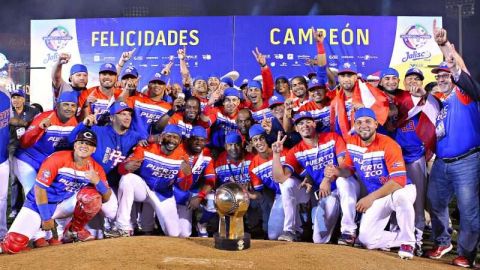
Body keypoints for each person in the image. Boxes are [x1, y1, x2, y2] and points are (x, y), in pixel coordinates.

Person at [0, 130, 113, 254]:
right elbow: (39, 189)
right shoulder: (57, 159)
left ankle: (73, 231)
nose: (84, 146)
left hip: (63, 204)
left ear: (94, 149)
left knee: (93, 197)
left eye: (89, 144)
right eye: (81, 142)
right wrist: (46, 217)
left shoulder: (96, 168)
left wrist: (98, 182)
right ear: (75, 145)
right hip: (39, 205)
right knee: (12, 245)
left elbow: (106, 198)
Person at [425, 21, 480, 268]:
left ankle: (466, 254)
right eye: (438, 76)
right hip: (441, 164)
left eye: (446, 74)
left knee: (468, 211)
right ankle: (442, 241)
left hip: (467, 161)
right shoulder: (439, 102)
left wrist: (444, 46)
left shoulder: (464, 94)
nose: (442, 78)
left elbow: (461, 71)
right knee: (435, 202)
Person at [272, 111, 360, 245]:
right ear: (296, 128)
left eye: (308, 122)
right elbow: (280, 178)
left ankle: (349, 232)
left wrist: (327, 178)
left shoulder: (332, 137)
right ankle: (290, 231)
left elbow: (345, 166)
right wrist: (276, 155)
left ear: (314, 123)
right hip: (327, 193)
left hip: (345, 185)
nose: (305, 125)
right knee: (318, 238)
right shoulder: (296, 150)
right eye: (300, 123)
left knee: (343, 182)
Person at [342, 108, 416, 259]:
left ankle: (409, 242)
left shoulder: (389, 144)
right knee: (367, 240)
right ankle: (402, 238)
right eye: (359, 122)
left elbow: (398, 181)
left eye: (368, 121)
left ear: (376, 124)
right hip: (379, 196)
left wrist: (370, 198)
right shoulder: (351, 143)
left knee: (401, 197)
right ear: (354, 126)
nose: (364, 125)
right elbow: (348, 170)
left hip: (400, 189)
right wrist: (335, 172)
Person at [12, 91, 78, 246]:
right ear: (58, 105)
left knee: (48, 194)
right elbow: (25, 142)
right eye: (66, 104)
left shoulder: (74, 123)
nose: (69, 108)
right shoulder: (45, 117)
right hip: (26, 159)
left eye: (73, 105)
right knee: (33, 191)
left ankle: (49, 235)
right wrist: (39, 129)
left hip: (47, 164)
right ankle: (37, 236)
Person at [115, 124, 193, 237]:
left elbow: (184, 187)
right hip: (143, 189)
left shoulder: (182, 157)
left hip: (163, 194)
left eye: (176, 137)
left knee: (174, 233)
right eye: (169, 136)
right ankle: (123, 226)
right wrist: (125, 167)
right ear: (161, 137)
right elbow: (122, 169)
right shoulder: (146, 148)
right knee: (127, 178)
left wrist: (188, 175)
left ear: (180, 141)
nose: (172, 140)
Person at [249, 124, 309, 241]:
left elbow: (304, 175)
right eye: (255, 140)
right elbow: (261, 192)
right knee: (273, 235)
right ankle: (297, 230)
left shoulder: (285, 152)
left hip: (300, 189)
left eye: (261, 138)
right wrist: (249, 194)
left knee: (286, 184)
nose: (259, 142)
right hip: (281, 196)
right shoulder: (253, 165)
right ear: (251, 143)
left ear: (267, 138)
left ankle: (292, 230)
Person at [174, 126, 216, 237]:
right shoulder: (179, 149)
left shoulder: (207, 155)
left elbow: (211, 180)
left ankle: (201, 224)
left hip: (190, 192)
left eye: (202, 140)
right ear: (189, 140)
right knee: (173, 232)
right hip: (172, 191)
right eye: (196, 139)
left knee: (184, 234)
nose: (198, 142)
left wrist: (200, 196)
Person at [8, 89, 40, 219]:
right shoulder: (7, 111)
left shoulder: (32, 111)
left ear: (23, 99)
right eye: (13, 97)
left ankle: (33, 206)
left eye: (18, 97)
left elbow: (39, 124)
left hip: (30, 148)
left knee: (33, 177)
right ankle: (15, 208)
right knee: (15, 180)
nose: (15, 100)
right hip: (13, 147)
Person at [0, 89, 9, 240]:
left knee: (2, 198)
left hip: (3, 157)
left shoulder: (5, 94)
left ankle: (2, 234)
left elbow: (9, 121)